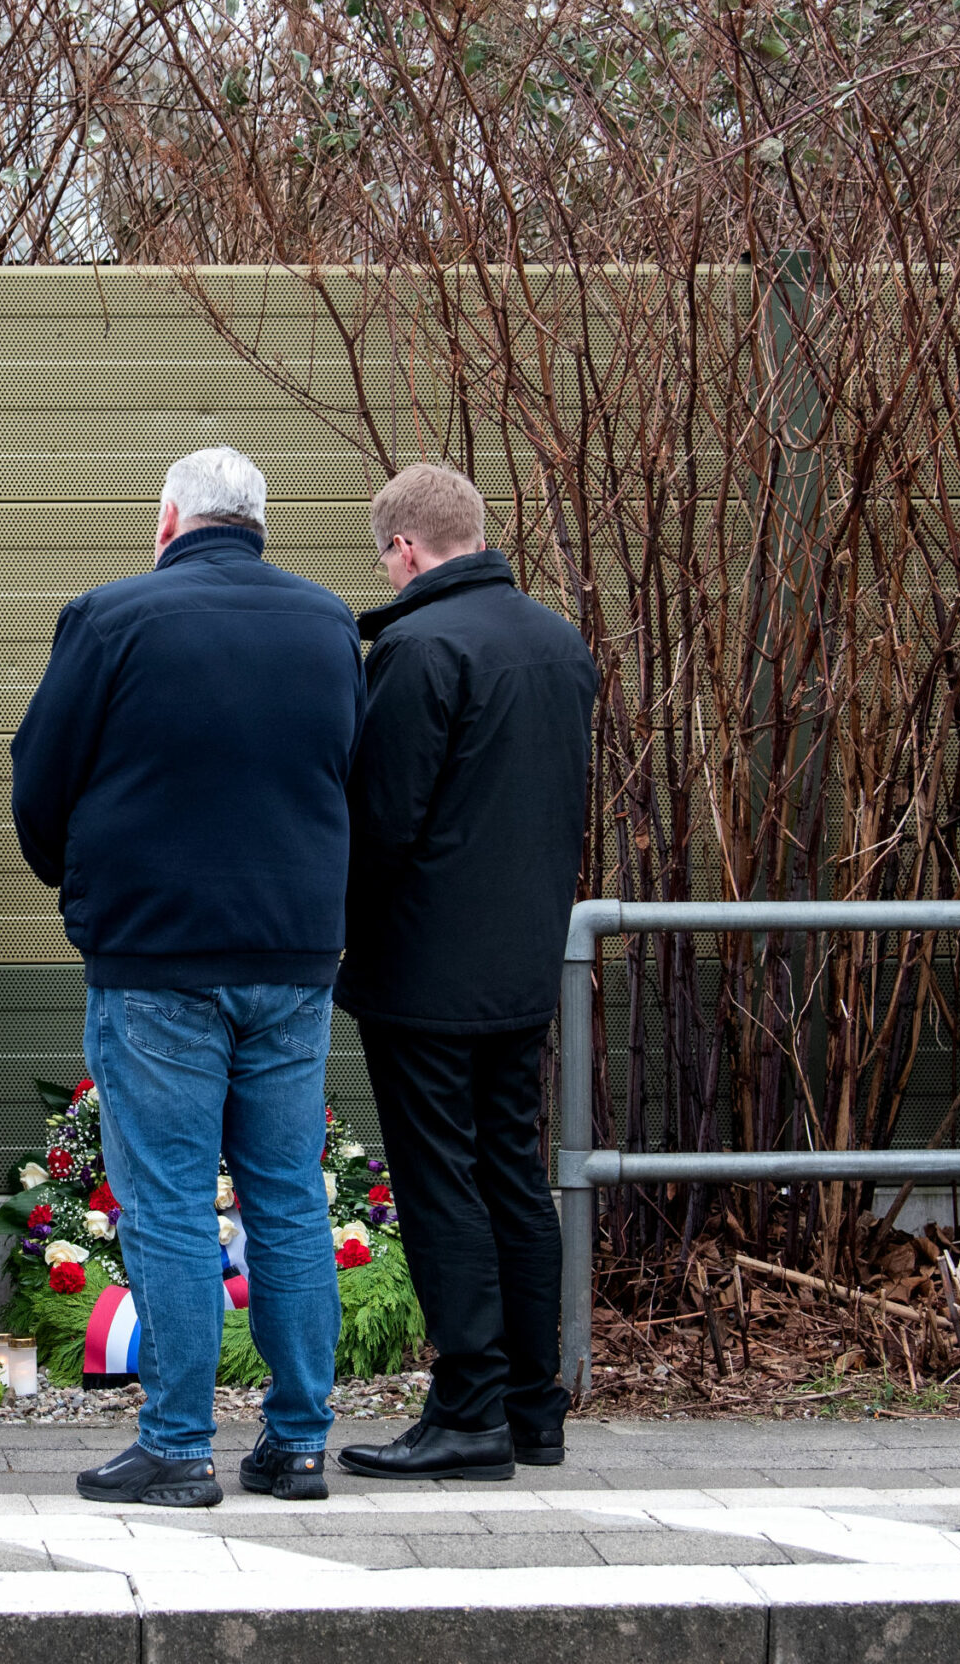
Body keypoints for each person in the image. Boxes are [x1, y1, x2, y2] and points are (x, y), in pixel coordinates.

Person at [11, 446, 363, 1509]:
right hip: (292, 957)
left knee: (166, 1202)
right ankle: (297, 1444)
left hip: (155, 952)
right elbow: (352, 770)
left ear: (168, 518)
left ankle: (174, 1443)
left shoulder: (111, 617)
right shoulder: (328, 623)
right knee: (290, 1196)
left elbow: (42, 775)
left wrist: (78, 886)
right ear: (258, 519)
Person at [335, 464, 598, 1482]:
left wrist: (341, 931)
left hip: (423, 972)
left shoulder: (417, 646)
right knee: (513, 1179)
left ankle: (468, 1410)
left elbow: (382, 822)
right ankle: (535, 1410)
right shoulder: (555, 640)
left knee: (441, 1181)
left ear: (403, 548)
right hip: (522, 961)